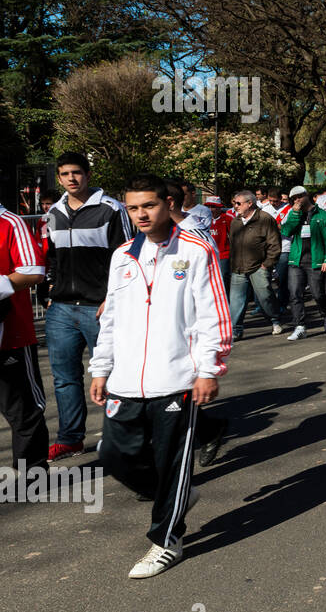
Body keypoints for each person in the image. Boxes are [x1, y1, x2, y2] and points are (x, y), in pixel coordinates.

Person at [89, 174, 231, 578]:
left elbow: (212, 315)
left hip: (177, 378)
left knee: (170, 462)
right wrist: (101, 369)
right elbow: (111, 318)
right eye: (133, 208)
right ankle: (177, 496)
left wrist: (208, 370)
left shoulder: (196, 249)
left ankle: (166, 541)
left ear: (167, 204)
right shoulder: (122, 256)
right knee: (113, 454)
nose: (141, 215)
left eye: (148, 206)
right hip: (126, 380)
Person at [43, 151, 133, 461]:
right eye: (65, 173)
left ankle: (119, 438)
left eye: (77, 172)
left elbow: (128, 257)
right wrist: (50, 291)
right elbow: (50, 257)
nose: (71, 178)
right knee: (65, 378)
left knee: (113, 375)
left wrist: (113, 297)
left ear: (88, 175)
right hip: (62, 309)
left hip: (100, 307)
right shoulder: (52, 214)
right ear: (59, 177)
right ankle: (71, 439)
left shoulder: (111, 209)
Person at [0, 199, 51, 469]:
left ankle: (33, 474)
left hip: (10, 335)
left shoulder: (10, 222)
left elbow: (34, 271)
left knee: (23, 411)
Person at [281, 185, 326, 340]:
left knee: (318, 294)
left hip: (315, 260)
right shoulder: (293, 213)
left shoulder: (322, 215)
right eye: (294, 199)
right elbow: (286, 231)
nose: (297, 200)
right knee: (295, 293)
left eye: (300, 196)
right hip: (296, 260)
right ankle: (300, 326)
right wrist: (295, 213)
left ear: (307, 195)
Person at [227, 189, 283, 339]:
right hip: (238, 267)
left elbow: (274, 243)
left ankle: (275, 320)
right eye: (234, 203)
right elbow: (232, 243)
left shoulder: (264, 219)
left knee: (265, 296)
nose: (235, 206)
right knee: (236, 301)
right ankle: (236, 329)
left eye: (238, 203)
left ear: (249, 203)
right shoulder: (235, 221)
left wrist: (267, 263)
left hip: (259, 266)